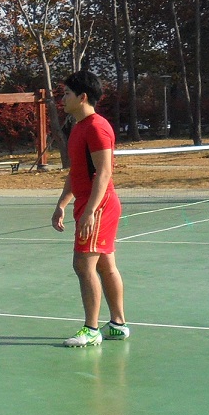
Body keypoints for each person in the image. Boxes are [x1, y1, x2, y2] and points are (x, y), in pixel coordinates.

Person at [51, 69, 129, 347]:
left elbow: (104, 172)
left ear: (82, 97)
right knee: (105, 265)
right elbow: (77, 171)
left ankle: (91, 329)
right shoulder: (78, 127)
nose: (63, 98)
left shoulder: (96, 126)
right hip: (89, 202)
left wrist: (90, 211)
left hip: (100, 204)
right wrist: (62, 204)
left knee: (82, 265)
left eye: (67, 94)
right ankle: (118, 325)